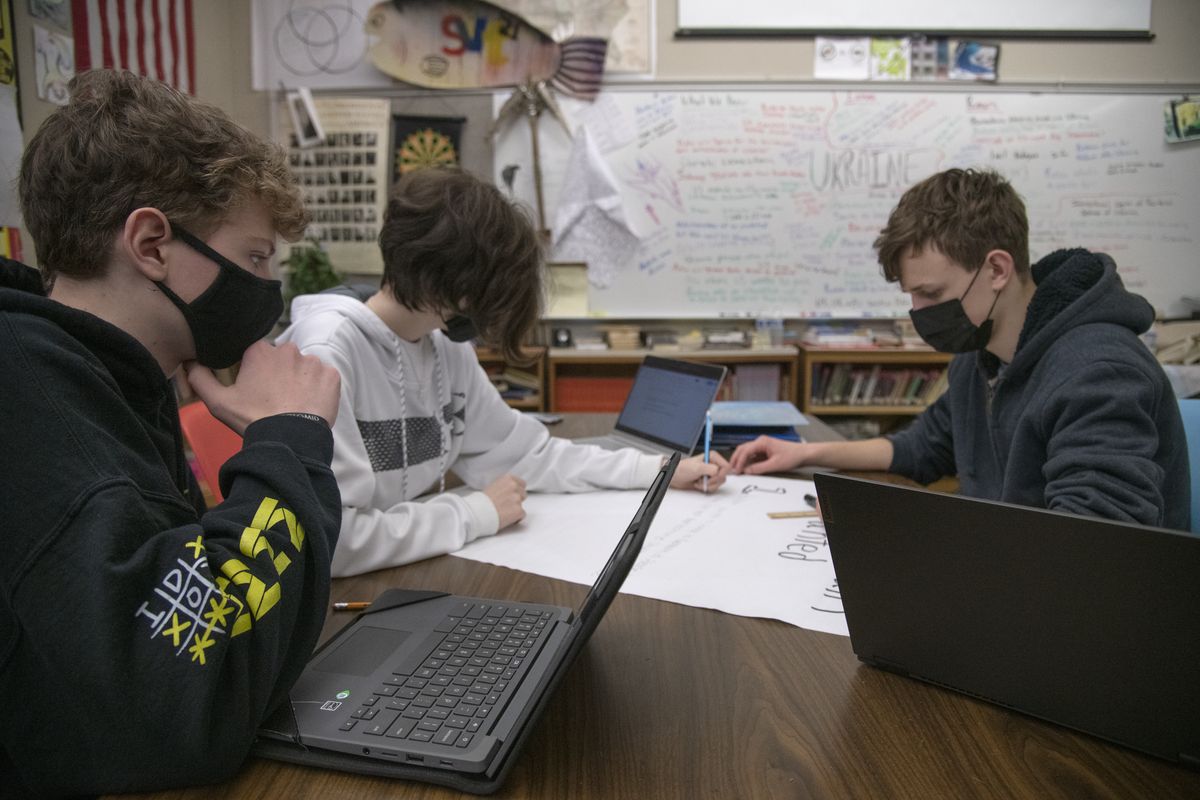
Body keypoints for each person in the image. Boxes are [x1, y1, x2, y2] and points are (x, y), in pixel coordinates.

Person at [0, 70, 343, 796]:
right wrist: (289, 438)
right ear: (152, 244)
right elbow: (190, 698)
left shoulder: (108, 379)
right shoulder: (32, 397)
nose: (266, 287)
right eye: (254, 257)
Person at [277, 167, 730, 577]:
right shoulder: (326, 353)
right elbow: (333, 542)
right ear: (454, 283)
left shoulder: (443, 348)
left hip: (403, 571)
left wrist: (660, 469)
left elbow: (529, 456)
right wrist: (476, 512)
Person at [731, 168, 1190, 531]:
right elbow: (924, 447)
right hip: (1012, 574)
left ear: (996, 269)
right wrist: (805, 455)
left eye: (931, 294)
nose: (918, 311)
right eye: (912, 295)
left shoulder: (1098, 369)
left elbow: (1094, 541)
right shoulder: (982, 354)